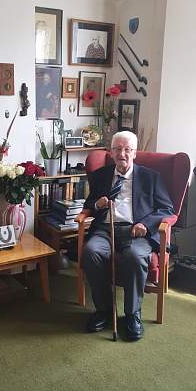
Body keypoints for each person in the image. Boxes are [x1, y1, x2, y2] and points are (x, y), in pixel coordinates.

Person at [81, 130, 174, 340]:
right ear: (111, 152)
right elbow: (89, 204)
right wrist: (98, 204)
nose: (122, 154)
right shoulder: (101, 175)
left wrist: (146, 224)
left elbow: (167, 209)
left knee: (134, 257)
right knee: (90, 251)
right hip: (105, 229)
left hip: (136, 232)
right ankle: (104, 311)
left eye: (127, 149)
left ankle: (133, 315)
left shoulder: (151, 177)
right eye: (117, 149)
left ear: (134, 153)